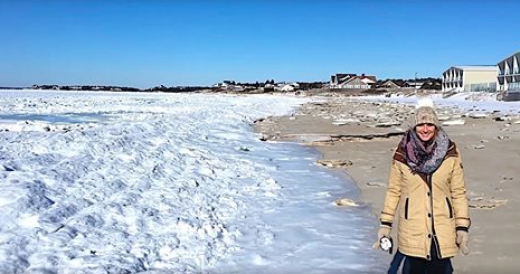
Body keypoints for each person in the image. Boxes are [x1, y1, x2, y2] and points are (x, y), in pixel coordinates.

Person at [374, 99, 471, 274]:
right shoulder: (401, 154)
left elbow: (458, 192)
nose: (425, 129)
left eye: (429, 124)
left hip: (442, 227)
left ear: (436, 126)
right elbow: (394, 191)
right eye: (420, 124)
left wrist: (462, 226)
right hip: (413, 227)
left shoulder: (451, 153)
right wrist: (385, 224)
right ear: (414, 126)